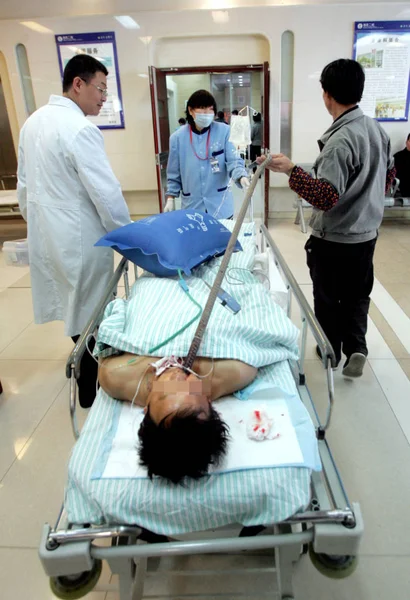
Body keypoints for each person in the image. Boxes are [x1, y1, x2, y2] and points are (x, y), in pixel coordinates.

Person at [258, 58, 395, 379]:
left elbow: (325, 197)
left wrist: (291, 169)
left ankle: (330, 348)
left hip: (335, 239)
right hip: (367, 234)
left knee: (328, 297)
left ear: (327, 94)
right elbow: (388, 178)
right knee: (358, 294)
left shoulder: (340, 141)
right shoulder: (377, 130)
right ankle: (357, 347)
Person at [17, 54, 131, 408]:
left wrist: (38, 223)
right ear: (77, 84)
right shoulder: (81, 129)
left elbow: (24, 188)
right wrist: (128, 236)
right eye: (100, 89)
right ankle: (91, 387)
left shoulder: (33, 122)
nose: (103, 98)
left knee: (72, 303)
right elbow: (105, 193)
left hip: (47, 234)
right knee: (92, 310)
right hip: (80, 238)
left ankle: (83, 361)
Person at [99, 354, 257, 483]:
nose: (177, 378)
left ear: (146, 410)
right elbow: (249, 366)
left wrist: (161, 360)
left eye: (166, 391)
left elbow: (107, 369)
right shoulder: (217, 378)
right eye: (190, 389)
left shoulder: (115, 376)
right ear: (209, 401)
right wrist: (199, 363)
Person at [164, 90, 249, 219]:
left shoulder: (224, 131)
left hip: (220, 205)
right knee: (195, 239)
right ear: (191, 110)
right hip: (192, 206)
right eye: (202, 109)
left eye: (210, 109)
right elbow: (174, 173)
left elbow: (234, 161)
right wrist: (170, 198)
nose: (207, 114)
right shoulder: (177, 138)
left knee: (223, 239)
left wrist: (241, 176)